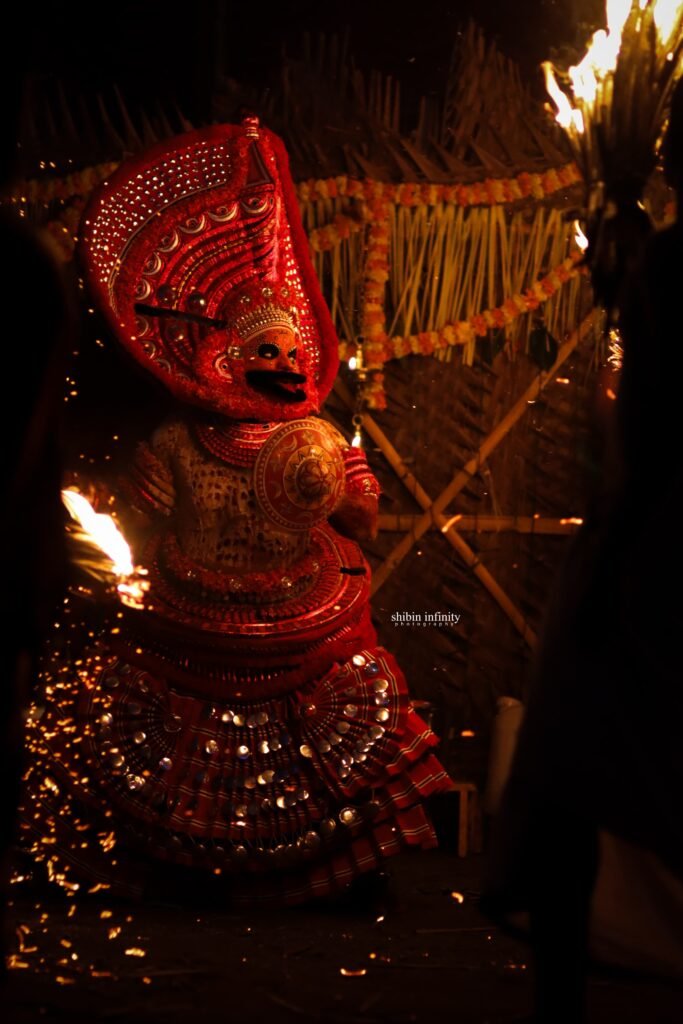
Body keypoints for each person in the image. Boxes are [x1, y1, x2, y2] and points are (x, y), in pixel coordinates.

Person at [22, 117, 451, 905]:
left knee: (352, 706)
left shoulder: (321, 434)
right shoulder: (177, 442)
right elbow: (140, 529)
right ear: (223, 358)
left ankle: (331, 874)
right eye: (266, 354)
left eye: (292, 353)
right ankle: (177, 871)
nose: (284, 366)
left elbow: (365, 527)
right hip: (191, 626)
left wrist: (336, 485)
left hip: (303, 621)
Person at [481, 79, 683, 1021]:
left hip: (656, 552)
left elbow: (643, 435)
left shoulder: (674, 273)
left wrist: (605, 572)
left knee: (564, 779)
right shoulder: (661, 265)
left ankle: (556, 1004)